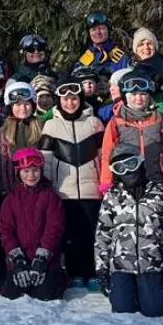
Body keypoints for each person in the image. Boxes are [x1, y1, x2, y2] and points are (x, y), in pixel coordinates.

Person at [40, 79, 104, 289]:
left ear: (81, 99)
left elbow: (104, 155)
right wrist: (47, 186)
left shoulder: (94, 123)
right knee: (71, 234)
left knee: (91, 233)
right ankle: (75, 271)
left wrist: (105, 184)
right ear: (59, 101)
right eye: (65, 99)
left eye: (74, 98)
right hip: (63, 190)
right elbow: (46, 159)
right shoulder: (51, 125)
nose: (70, 103)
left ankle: (92, 272)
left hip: (91, 190)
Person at [95, 147, 163, 316]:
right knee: (123, 309)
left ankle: (161, 289)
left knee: (155, 310)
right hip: (122, 264)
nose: (128, 171)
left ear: (140, 164)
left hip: (151, 263)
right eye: (120, 168)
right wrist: (101, 267)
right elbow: (103, 232)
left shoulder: (158, 193)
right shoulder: (113, 196)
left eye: (131, 164)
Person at [0, 147, 66, 300]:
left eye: (35, 170)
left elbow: (54, 229)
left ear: (41, 171)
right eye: (25, 171)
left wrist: (42, 258)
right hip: (20, 259)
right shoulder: (11, 199)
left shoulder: (50, 197)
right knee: (13, 294)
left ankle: (59, 277)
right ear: (18, 173)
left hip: (44, 259)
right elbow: (6, 230)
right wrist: (16, 259)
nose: (31, 175)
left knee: (44, 295)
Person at [98, 75, 163, 195]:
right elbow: (107, 154)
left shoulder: (160, 119)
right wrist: (107, 183)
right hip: (128, 179)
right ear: (125, 96)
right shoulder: (117, 121)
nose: (138, 99)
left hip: (156, 179)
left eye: (143, 94)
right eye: (133, 94)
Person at [0, 82, 45, 199]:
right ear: (10, 107)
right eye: (17, 104)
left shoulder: (41, 126)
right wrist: (5, 191)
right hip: (14, 191)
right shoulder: (3, 132)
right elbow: (1, 164)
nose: (23, 108)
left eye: (27, 104)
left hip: (40, 188)